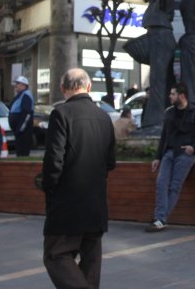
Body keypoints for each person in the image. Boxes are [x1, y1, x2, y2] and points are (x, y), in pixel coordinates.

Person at [40, 68, 116, 288]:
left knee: (56, 254)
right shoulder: (104, 117)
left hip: (67, 202)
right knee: (92, 259)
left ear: (63, 89)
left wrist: (48, 186)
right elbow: (110, 162)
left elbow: (54, 159)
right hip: (96, 201)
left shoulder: (61, 114)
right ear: (89, 87)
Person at [146, 84, 195, 232]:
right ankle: (160, 218)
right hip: (169, 153)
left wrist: (194, 147)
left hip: (185, 154)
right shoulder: (169, 113)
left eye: (173, 94)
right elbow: (164, 136)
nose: (170, 96)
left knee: (174, 186)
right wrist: (157, 157)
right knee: (161, 183)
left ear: (182, 96)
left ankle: (160, 219)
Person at [8, 74, 36, 157]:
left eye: (17, 84)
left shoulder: (26, 95)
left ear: (24, 85)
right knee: (19, 150)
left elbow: (27, 113)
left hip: (23, 130)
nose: (15, 86)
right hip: (18, 129)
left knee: (22, 151)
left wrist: (20, 128)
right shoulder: (20, 95)